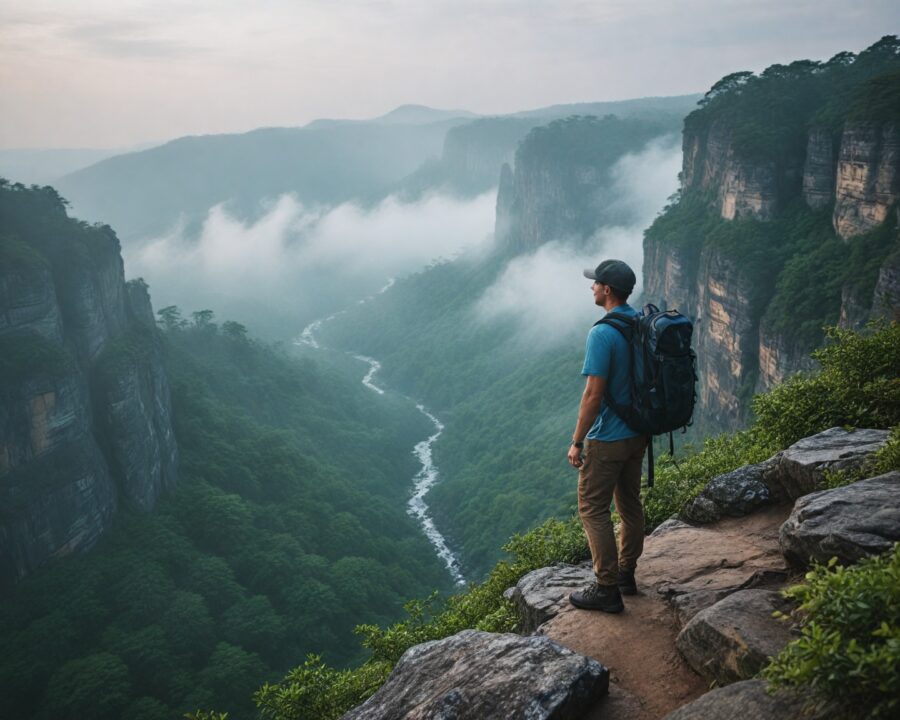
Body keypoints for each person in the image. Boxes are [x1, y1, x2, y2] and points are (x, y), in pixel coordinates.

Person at [566, 259, 649, 613]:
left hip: (609, 439)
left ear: (608, 290)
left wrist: (577, 440)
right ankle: (626, 575)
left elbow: (593, 395)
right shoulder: (642, 323)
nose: (592, 287)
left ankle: (606, 587)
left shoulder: (602, 333)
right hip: (639, 434)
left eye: (596, 283)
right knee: (630, 506)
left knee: (592, 509)